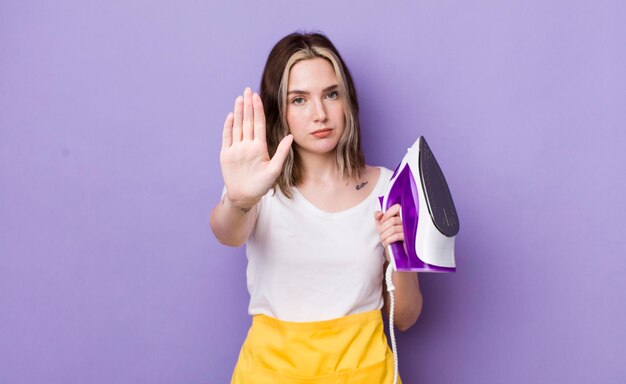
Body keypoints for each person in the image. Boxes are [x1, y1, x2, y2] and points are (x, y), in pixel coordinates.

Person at [210, 31, 423, 383]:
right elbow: (227, 232)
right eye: (299, 100)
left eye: (331, 94)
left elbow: (406, 317)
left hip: (367, 375)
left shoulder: (389, 187)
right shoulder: (257, 184)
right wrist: (239, 200)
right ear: (280, 110)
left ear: (347, 101)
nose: (320, 113)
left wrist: (399, 252)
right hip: (271, 374)